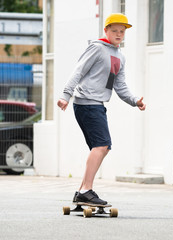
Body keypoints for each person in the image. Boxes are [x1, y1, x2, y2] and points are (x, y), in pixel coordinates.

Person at [57, 13, 146, 206]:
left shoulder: (119, 57)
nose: (118, 34)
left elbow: (119, 86)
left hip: (97, 105)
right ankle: (86, 191)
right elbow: (78, 70)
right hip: (86, 103)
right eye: (114, 30)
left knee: (102, 148)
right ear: (106, 30)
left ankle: (81, 191)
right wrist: (65, 94)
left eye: (122, 31)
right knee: (101, 146)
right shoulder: (97, 48)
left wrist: (134, 101)